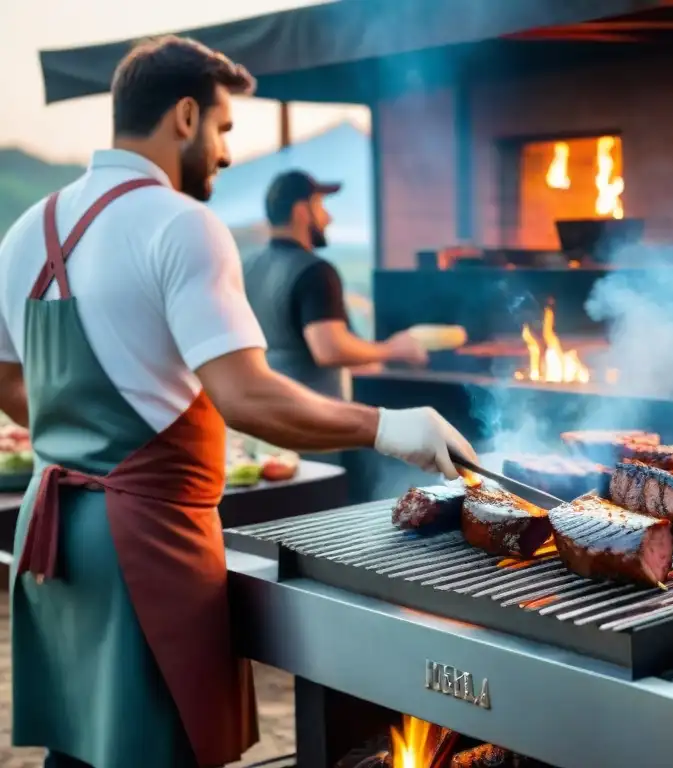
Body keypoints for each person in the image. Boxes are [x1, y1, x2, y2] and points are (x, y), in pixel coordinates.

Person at [0, 36, 476, 768]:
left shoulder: (26, 231)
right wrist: (387, 426)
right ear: (185, 117)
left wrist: (87, 444)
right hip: (147, 541)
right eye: (224, 129)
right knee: (165, 748)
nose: (226, 153)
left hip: (56, 532)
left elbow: (8, 386)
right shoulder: (182, 225)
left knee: (84, 744)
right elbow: (247, 397)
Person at [243, 170, 427, 402]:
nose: (328, 218)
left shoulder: (246, 268)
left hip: (262, 416)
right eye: (320, 206)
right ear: (301, 211)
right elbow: (330, 349)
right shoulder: (314, 271)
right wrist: (394, 349)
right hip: (310, 421)